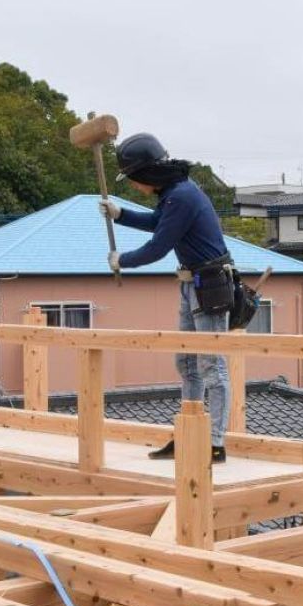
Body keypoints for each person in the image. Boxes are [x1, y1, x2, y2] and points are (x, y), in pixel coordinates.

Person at [98, 133, 232, 464]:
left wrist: (122, 260)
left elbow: (158, 246)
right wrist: (121, 215)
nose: (133, 186)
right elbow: (159, 222)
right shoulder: (174, 194)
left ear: (147, 174)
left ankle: (214, 442)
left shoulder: (182, 196)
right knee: (187, 362)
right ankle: (189, 433)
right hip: (192, 283)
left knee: (212, 366)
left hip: (210, 284)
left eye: (133, 179)